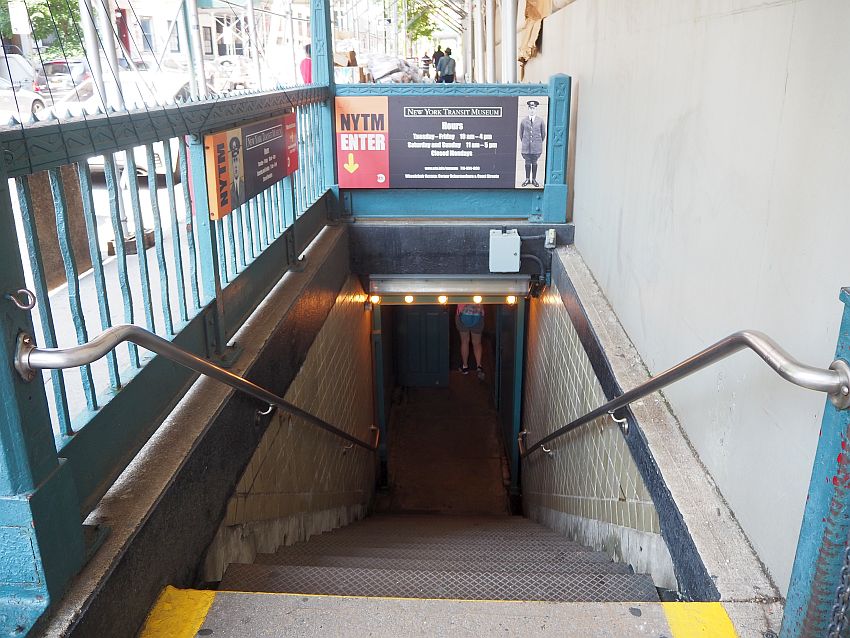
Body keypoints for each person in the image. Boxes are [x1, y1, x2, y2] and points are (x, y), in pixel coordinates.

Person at [519, 99, 546, 187]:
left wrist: (537, 143)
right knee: (527, 162)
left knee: (534, 162)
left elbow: (543, 134)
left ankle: (534, 179)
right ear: (528, 109)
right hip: (526, 147)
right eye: (530, 108)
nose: (532, 110)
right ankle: (527, 179)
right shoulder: (523, 121)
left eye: (533, 108)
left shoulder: (540, 121)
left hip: (536, 148)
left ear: (536, 109)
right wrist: (526, 142)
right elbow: (521, 134)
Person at [456, 303, 485, 379]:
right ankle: (479, 366)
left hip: (462, 314)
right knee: (477, 343)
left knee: (464, 341)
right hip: (478, 314)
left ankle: (465, 367)